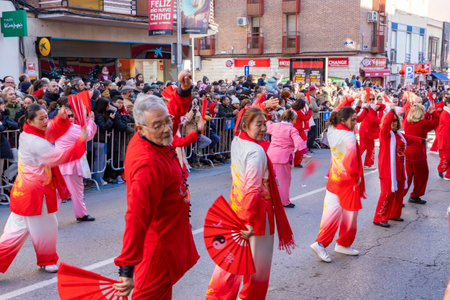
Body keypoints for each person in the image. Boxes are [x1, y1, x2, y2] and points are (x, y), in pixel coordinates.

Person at [113, 70, 199, 299]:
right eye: (158, 125)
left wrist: (182, 92)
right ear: (140, 128)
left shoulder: (155, 133)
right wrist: (126, 268)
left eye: (167, 123)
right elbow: (136, 217)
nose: (167, 129)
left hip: (169, 235)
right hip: (159, 246)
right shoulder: (147, 166)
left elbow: (173, 113)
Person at [206, 108, 295, 300]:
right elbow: (254, 189)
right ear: (245, 126)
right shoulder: (256, 151)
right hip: (256, 217)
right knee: (257, 271)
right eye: (259, 124)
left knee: (230, 263)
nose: (264, 128)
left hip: (235, 210)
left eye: (265, 123)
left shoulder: (237, 141)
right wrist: (248, 222)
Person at [0, 104, 87, 273]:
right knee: (46, 227)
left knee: (14, 232)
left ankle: (45, 260)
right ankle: (47, 260)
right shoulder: (35, 141)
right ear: (30, 121)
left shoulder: (29, 133)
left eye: (46, 116)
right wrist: (81, 141)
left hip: (24, 191)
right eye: (41, 118)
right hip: (37, 193)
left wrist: (61, 119)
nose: (46, 121)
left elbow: (51, 130)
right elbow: (59, 157)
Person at [310, 107, 365, 263]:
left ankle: (336, 243)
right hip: (347, 182)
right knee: (348, 215)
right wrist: (356, 177)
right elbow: (352, 162)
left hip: (335, 179)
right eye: (352, 119)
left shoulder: (332, 130)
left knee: (331, 214)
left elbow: (337, 110)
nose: (355, 123)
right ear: (343, 120)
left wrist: (348, 102)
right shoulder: (349, 137)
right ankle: (328, 243)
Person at [373, 106, 424, 228]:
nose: (394, 124)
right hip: (388, 170)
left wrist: (421, 140)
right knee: (387, 193)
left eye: (396, 121)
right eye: (392, 121)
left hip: (400, 170)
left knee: (398, 193)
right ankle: (379, 217)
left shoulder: (400, 135)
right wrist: (391, 112)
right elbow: (385, 124)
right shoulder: (385, 134)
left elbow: (410, 139)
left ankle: (394, 214)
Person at [55, 105, 97, 221]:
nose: (71, 118)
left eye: (72, 115)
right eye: (67, 116)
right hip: (70, 165)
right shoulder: (70, 129)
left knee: (58, 193)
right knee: (76, 191)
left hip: (61, 164)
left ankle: (48, 217)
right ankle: (81, 214)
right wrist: (90, 119)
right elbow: (87, 134)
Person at [267, 109, 307, 208]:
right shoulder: (291, 129)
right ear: (292, 119)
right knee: (283, 181)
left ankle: (270, 200)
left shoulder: (275, 126)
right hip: (283, 156)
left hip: (271, 155)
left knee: (271, 179)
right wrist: (304, 151)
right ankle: (284, 201)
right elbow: (298, 141)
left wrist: (268, 120)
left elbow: (267, 127)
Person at [403, 104, 438, 204]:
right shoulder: (423, 123)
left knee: (407, 177)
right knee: (422, 176)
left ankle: (399, 196)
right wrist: (433, 113)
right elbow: (434, 123)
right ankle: (415, 195)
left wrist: (427, 113)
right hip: (418, 153)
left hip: (408, 152)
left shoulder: (407, 122)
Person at [437, 97, 450, 180]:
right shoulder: (445, 113)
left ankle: (448, 174)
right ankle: (441, 169)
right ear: (448, 104)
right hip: (445, 139)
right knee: (446, 157)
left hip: (447, 137)